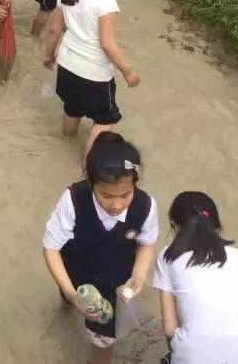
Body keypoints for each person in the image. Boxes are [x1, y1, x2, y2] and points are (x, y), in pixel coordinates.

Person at [43, 133, 158, 363]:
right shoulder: (73, 200)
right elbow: (51, 247)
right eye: (106, 196)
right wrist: (70, 293)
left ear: (135, 183)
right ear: (91, 183)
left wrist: (138, 274)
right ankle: (65, 307)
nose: (116, 204)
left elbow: (147, 242)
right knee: (67, 300)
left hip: (113, 284)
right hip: (76, 271)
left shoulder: (145, 206)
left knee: (103, 341)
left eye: (125, 195)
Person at [43, 0, 139, 153]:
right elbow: (107, 44)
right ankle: (88, 169)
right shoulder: (106, 2)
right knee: (104, 122)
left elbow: (54, 30)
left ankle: (65, 145)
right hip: (93, 74)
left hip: (66, 66)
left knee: (72, 109)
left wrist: (49, 56)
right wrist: (128, 70)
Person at [153, 192, 238, 364]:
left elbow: (169, 329)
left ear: (174, 225)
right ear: (218, 226)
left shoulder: (168, 257)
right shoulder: (237, 256)